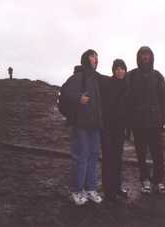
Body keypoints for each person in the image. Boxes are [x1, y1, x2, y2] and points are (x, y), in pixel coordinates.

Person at [127, 46, 165, 194]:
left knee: (158, 154)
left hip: (155, 123)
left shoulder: (158, 76)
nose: (145, 57)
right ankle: (145, 180)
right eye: (142, 55)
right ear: (138, 57)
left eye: (147, 54)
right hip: (138, 123)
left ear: (151, 57)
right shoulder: (131, 75)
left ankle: (158, 181)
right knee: (141, 153)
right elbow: (125, 97)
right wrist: (128, 121)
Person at [64, 49, 103, 206]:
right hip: (81, 124)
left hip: (95, 125)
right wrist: (78, 97)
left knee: (93, 156)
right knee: (81, 156)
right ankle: (76, 190)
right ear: (86, 58)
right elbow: (65, 92)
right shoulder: (78, 76)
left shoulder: (95, 78)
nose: (96, 59)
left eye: (97, 57)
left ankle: (90, 188)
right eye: (93, 56)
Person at [100, 59, 129, 201]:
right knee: (108, 158)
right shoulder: (107, 83)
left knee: (118, 158)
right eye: (117, 69)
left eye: (122, 68)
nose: (120, 71)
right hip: (107, 127)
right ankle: (108, 189)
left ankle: (117, 187)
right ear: (113, 70)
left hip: (120, 127)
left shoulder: (128, 86)